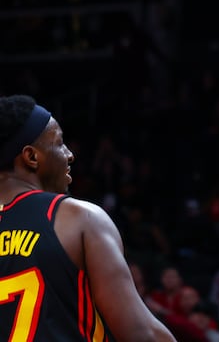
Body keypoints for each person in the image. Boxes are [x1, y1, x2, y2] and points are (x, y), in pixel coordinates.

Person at [0, 94, 176, 341]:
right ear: (31, 157)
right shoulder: (77, 218)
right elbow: (141, 333)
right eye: (59, 143)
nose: (70, 154)